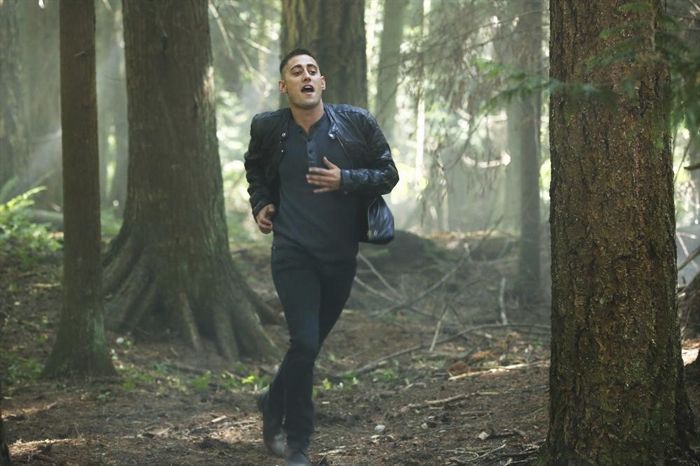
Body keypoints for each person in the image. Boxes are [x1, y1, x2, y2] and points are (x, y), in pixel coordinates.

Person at [244, 48, 399, 466]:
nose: (306, 76)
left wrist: (345, 178)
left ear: (323, 82)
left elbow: (388, 174)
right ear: (285, 86)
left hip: (340, 257)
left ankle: (272, 399)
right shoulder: (268, 127)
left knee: (306, 350)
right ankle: (298, 443)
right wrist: (261, 203)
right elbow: (255, 168)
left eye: (312, 70)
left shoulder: (355, 123)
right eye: (297, 72)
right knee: (305, 342)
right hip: (292, 252)